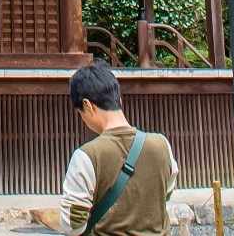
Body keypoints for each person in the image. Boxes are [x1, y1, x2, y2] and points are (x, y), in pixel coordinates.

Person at [60, 63, 177, 236]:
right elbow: (165, 194)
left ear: (88, 105)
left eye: (81, 113)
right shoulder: (161, 145)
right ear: (119, 100)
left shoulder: (86, 156)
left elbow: (72, 225)